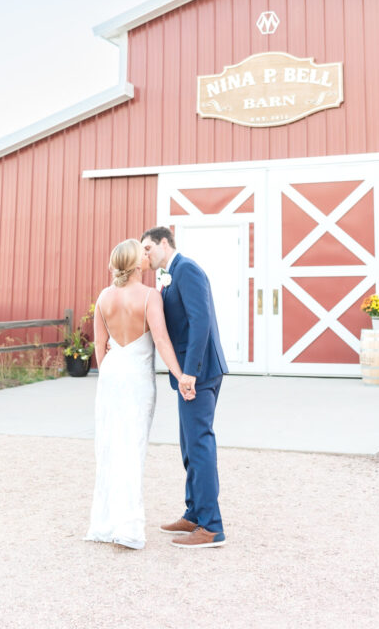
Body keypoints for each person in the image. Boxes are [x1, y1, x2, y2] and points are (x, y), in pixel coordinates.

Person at [85, 238, 195, 550]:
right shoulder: (149, 296)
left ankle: (105, 524)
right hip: (136, 380)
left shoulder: (105, 296)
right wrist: (180, 375)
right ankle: (128, 529)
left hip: (111, 377)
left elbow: (99, 344)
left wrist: (108, 372)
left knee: (108, 448)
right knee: (132, 450)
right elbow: (161, 339)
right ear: (135, 264)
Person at [141, 226, 228, 549]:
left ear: (165, 243)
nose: (145, 255)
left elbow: (200, 320)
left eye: (148, 248)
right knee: (189, 445)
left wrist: (189, 372)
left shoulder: (187, 269)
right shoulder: (169, 273)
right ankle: (194, 512)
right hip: (189, 374)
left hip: (199, 373)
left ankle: (211, 526)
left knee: (200, 444)